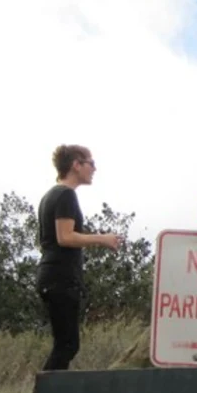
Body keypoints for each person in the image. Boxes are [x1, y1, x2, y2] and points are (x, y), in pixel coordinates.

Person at [36, 144, 121, 371]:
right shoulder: (66, 195)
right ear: (76, 165)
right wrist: (102, 239)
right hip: (60, 277)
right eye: (91, 163)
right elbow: (64, 237)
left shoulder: (50, 195)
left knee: (65, 343)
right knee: (67, 345)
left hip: (51, 275)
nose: (94, 168)